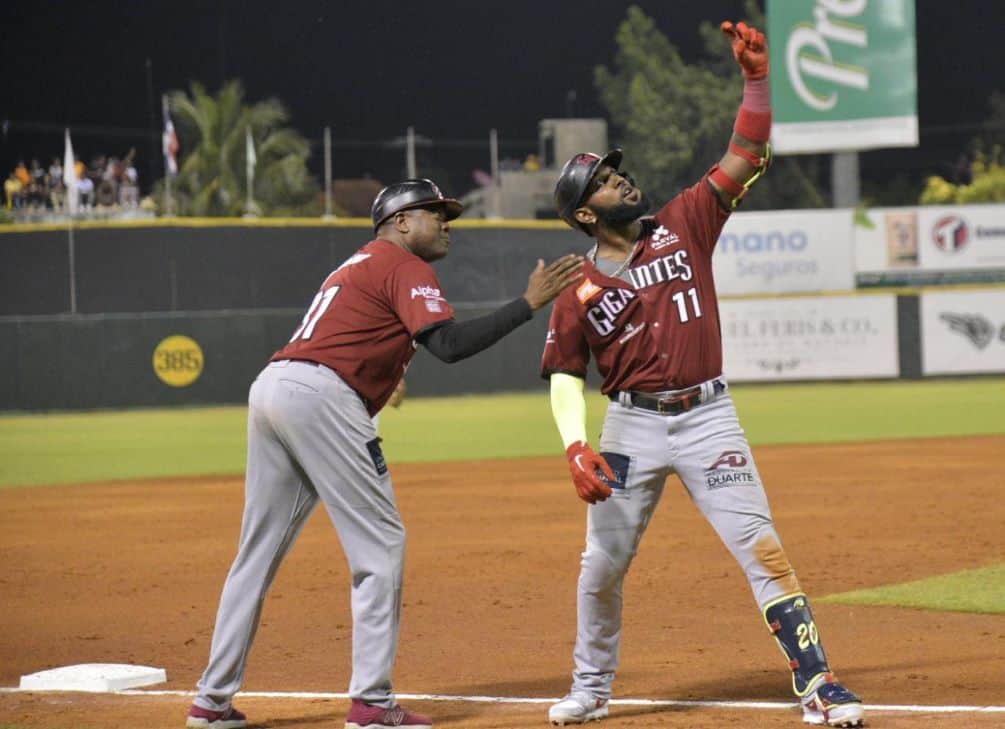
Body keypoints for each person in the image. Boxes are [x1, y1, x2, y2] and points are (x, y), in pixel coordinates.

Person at [540, 21, 864, 729]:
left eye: (616, 171)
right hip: (627, 427)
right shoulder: (576, 290)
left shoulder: (684, 221)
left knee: (762, 550)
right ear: (585, 214)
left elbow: (746, 153)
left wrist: (755, 80)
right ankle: (591, 688)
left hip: (707, 416)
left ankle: (819, 683)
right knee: (601, 565)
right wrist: (574, 445)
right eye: (603, 181)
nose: (620, 179)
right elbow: (564, 374)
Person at [186, 178, 583, 729]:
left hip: (274, 387)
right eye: (434, 213)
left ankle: (211, 700)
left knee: (256, 554)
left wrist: (377, 374)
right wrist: (527, 304)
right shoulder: (405, 265)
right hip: (322, 399)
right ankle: (371, 704)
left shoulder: (356, 264)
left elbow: (356, 332)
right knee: (381, 545)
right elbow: (447, 345)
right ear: (400, 222)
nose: (447, 222)